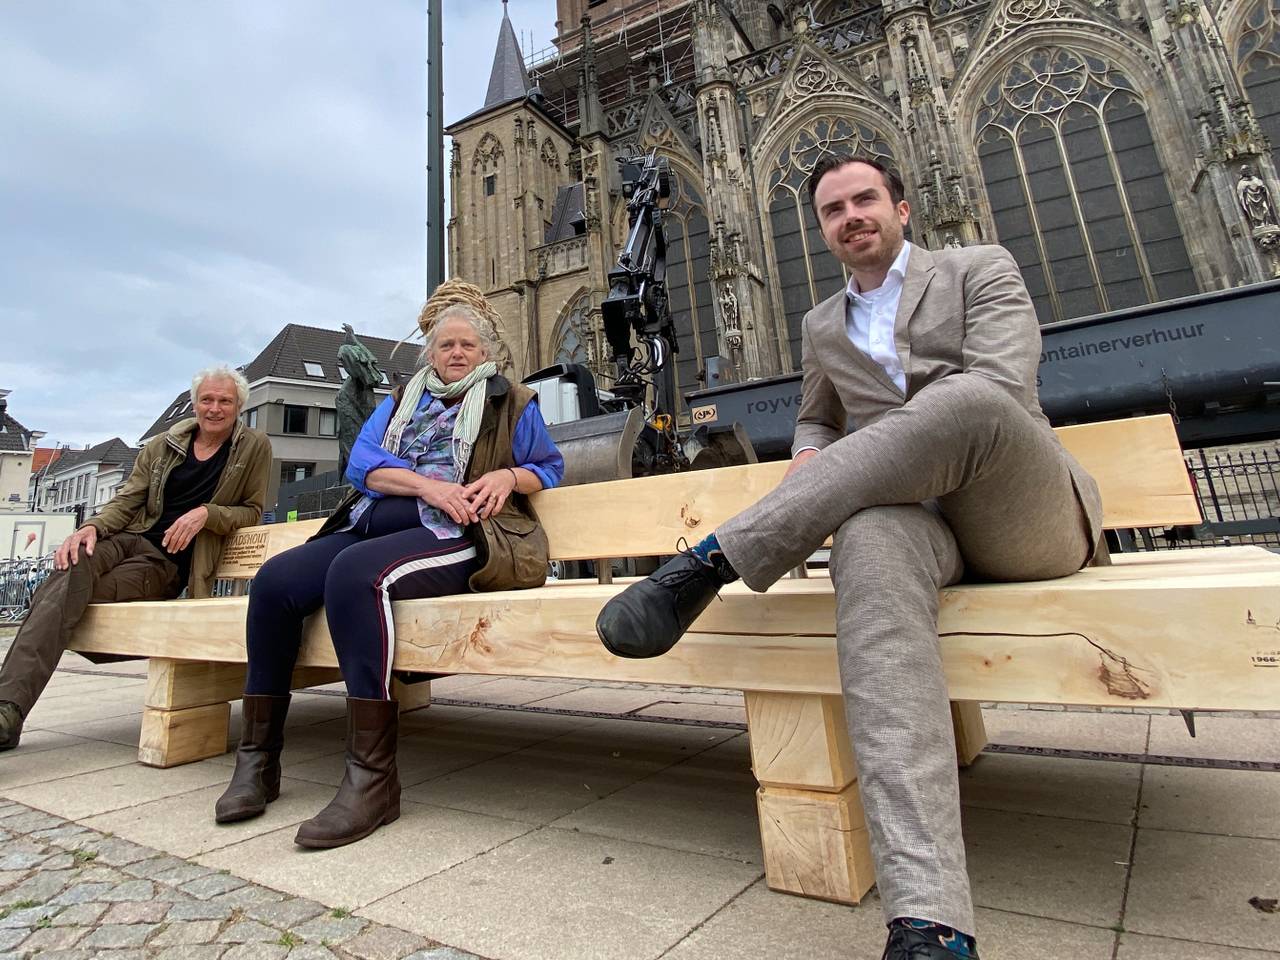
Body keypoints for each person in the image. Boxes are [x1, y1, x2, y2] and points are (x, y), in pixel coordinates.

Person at [596, 155, 1104, 960]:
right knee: (864, 540)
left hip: (1022, 511)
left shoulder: (979, 268)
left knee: (967, 398)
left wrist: (837, 464)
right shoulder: (823, 325)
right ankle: (929, 923)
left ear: (901, 206)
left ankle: (707, 565)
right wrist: (808, 456)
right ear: (824, 230)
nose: (851, 216)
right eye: (833, 209)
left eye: (866, 199)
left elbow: (1003, 394)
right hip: (916, 528)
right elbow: (816, 422)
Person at [214, 291, 564, 850]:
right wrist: (427, 483)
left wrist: (507, 478)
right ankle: (258, 763)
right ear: (431, 352)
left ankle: (373, 782)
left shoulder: (512, 401)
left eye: (467, 344)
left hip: (458, 532)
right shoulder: (404, 398)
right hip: (372, 519)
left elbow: (549, 466)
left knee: (356, 576)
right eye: (446, 344)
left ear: (486, 350)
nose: (456, 352)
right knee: (277, 580)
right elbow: (361, 464)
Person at [0, 366, 271, 750]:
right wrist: (91, 527)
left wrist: (207, 514)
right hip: (128, 538)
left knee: (59, 598)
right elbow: (128, 499)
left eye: (224, 401)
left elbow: (252, 511)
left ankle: (7, 710)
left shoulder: (254, 446)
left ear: (238, 406)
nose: (214, 408)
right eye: (207, 400)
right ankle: (6, 710)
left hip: (165, 562)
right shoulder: (164, 444)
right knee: (74, 562)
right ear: (194, 404)